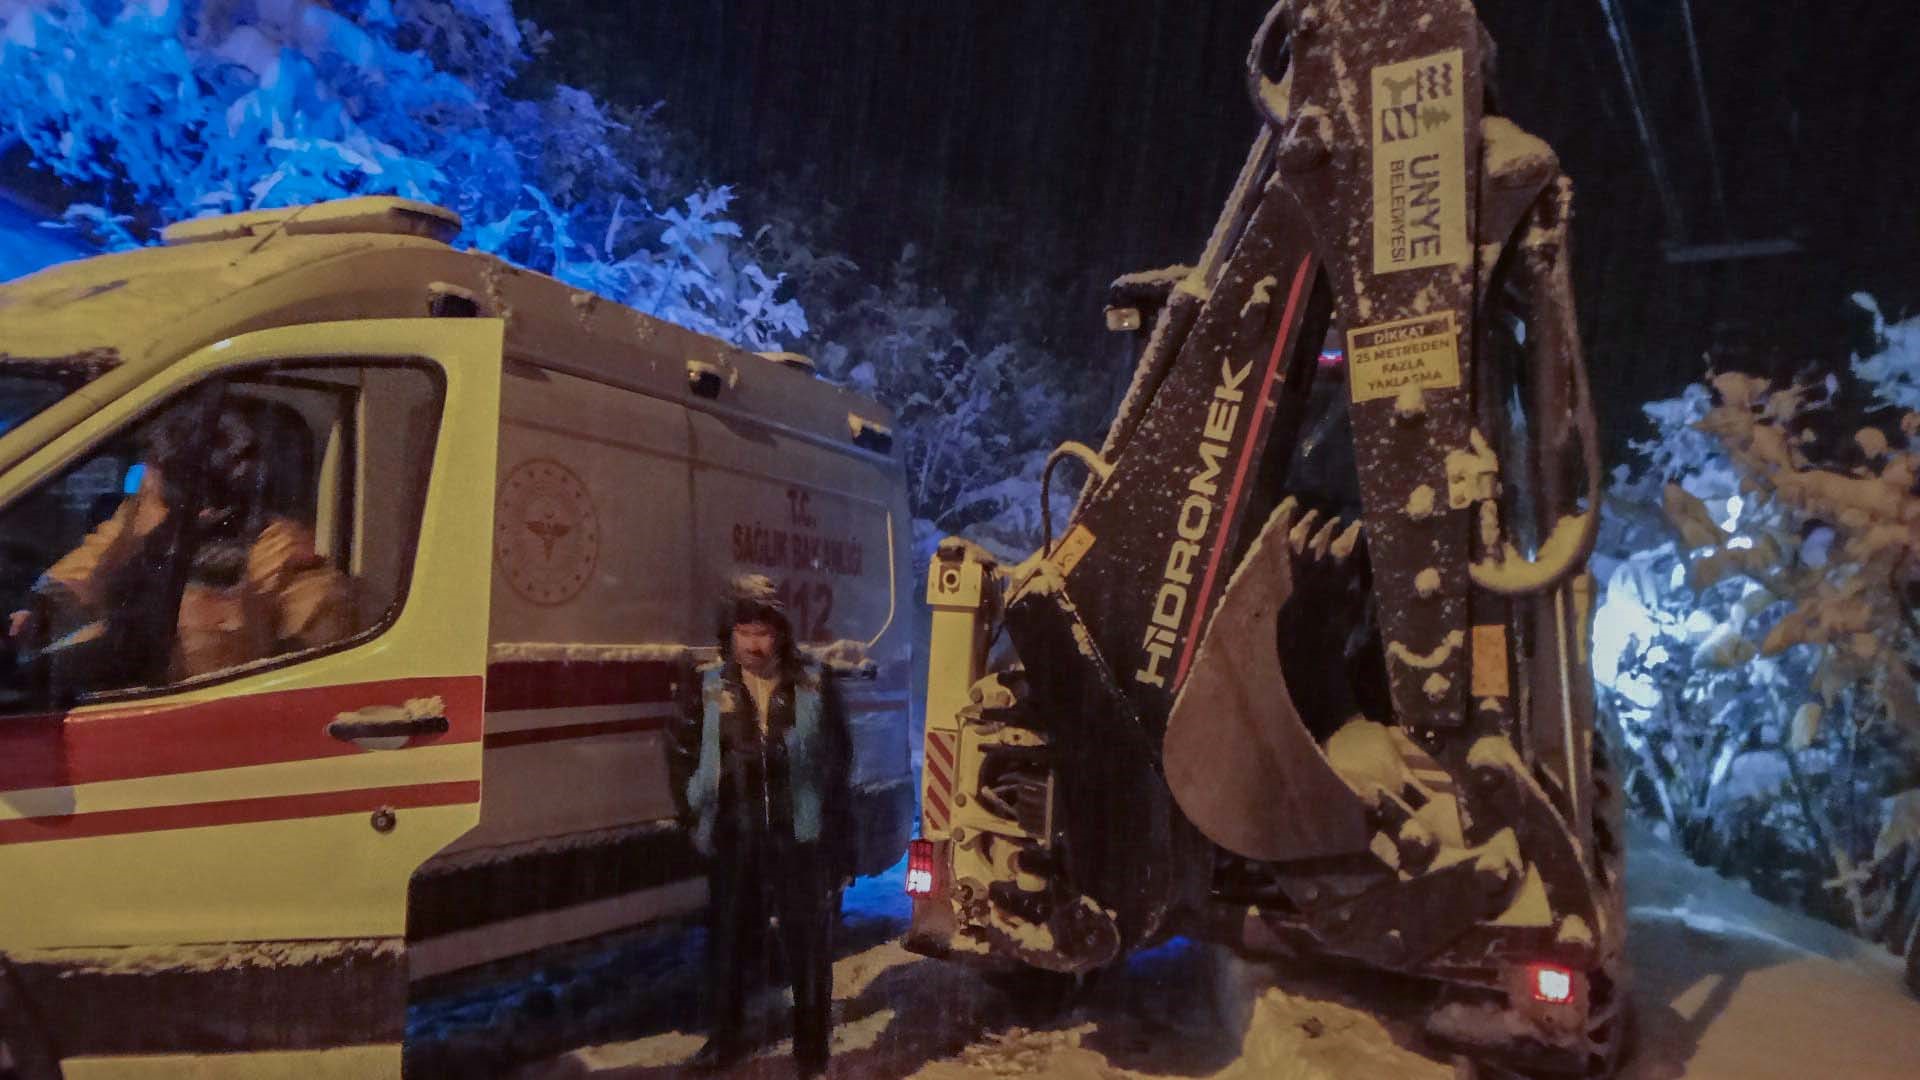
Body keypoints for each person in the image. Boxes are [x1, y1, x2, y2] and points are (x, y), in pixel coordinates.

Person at [8, 400, 353, 690]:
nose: (145, 485)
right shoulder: (146, 514)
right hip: (128, 679)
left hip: (192, 714)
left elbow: (307, 676)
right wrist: (42, 605)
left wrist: (235, 610)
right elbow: (95, 557)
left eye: (155, 476)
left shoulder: (284, 560)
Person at [684, 575, 855, 1077]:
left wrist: (838, 837)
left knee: (807, 948)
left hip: (797, 834)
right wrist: (694, 808)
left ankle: (811, 1051)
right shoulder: (711, 687)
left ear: (780, 634)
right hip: (736, 835)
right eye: (744, 633)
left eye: (764, 633)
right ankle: (727, 1039)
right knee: (730, 943)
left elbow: (838, 760)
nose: (754, 645)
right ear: (730, 636)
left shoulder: (812, 683)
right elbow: (681, 753)